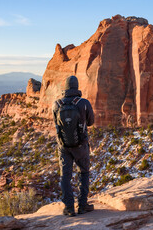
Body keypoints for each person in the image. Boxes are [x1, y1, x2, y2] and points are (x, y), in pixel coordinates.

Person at [52, 76, 94, 216]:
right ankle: (82, 206)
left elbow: (57, 124)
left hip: (63, 146)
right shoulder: (84, 103)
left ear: (65, 87)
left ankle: (69, 207)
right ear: (77, 87)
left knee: (65, 176)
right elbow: (91, 122)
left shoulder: (56, 104)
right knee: (84, 172)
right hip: (81, 145)